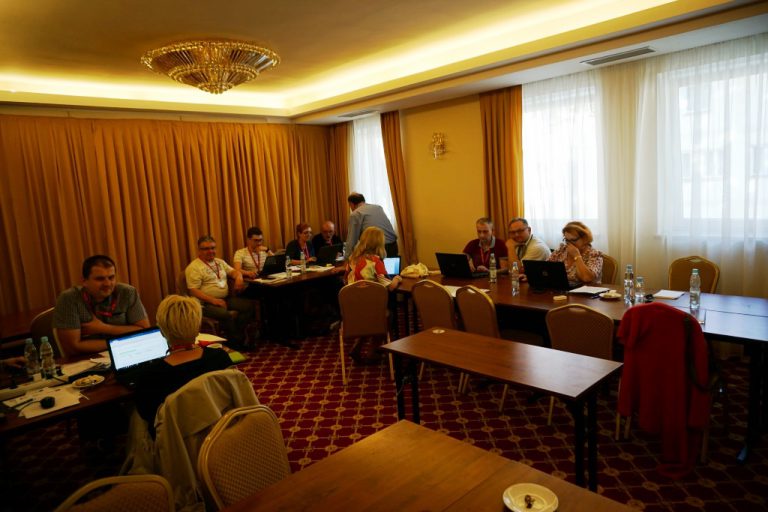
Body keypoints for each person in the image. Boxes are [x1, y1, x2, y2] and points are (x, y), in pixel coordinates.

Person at [133, 295, 232, 437]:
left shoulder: (150, 376)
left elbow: (147, 415)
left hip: (177, 441)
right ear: (198, 328)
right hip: (222, 431)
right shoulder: (220, 358)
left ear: (161, 332)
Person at [53, 255, 150, 356]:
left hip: (127, 354)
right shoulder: (69, 298)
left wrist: (103, 328)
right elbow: (73, 347)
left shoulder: (127, 292)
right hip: (87, 359)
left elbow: (144, 332)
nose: (107, 284)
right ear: (84, 281)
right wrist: (122, 342)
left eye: (111, 277)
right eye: (100, 279)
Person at [185, 235, 254, 347]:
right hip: (205, 304)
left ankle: (237, 335)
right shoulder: (194, 267)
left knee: (248, 306)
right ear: (199, 251)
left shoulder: (220, 262)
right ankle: (236, 342)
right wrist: (213, 300)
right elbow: (193, 290)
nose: (210, 251)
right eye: (206, 249)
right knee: (225, 314)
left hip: (225, 299)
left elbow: (233, 272)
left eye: (212, 248)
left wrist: (239, 277)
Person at [548, 221, 603, 286]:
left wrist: (577, 256)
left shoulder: (595, 255)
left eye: (573, 240)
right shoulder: (561, 250)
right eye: (567, 240)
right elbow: (545, 270)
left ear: (584, 239)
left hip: (586, 291)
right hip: (561, 289)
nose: (569, 244)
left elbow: (586, 278)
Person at [346, 193, 398, 257]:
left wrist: (347, 258)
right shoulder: (378, 207)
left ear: (351, 204)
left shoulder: (356, 213)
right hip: (393, 245)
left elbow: (351, 240)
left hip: (377, 249)